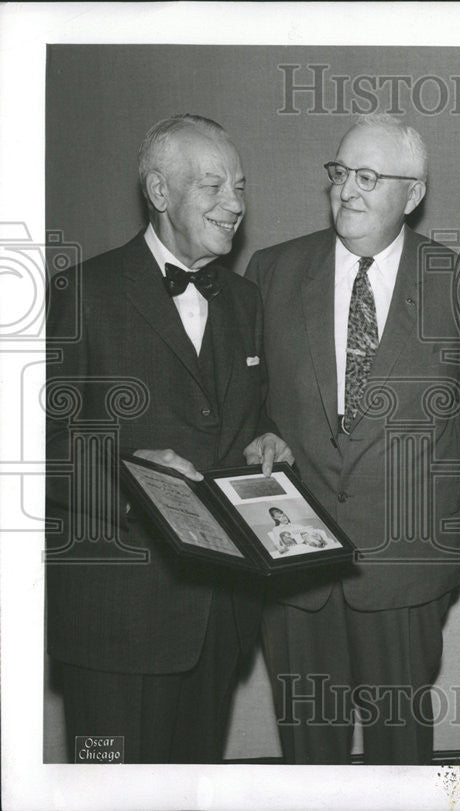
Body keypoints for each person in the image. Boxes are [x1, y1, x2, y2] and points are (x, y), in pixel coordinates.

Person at [46, 114, 292, 763]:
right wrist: (133, 483)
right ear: (159, 192)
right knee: (106, 786)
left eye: (240, 186)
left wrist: (266, 439)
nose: (236, 204)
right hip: (115, 621)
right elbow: (33, 445)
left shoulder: (245, 300)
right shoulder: (82, 291)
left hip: (217, 619)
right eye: (213, 186)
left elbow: (244, 415)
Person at [245, 114, 460, 764]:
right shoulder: (271, 273)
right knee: (307, 759)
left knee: (400, 760)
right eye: (339, 171)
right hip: (296, 568)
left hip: (405, 571)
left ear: (413, 193)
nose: (346, 190)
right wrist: (257, 435)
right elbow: (245, 405)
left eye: (368, 177)